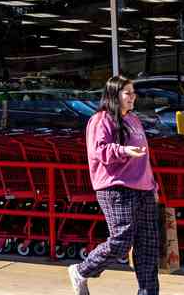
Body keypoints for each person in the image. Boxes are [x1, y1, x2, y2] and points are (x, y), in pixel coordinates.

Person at [68, 75, 160, 295]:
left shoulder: (134, 120)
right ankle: (82, 270)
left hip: (144, 190)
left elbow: (145, 158)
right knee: (121, 241)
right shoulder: (101, 120)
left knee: (148, 248)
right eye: (127, 93)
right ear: (114, 95)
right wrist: (123, 151)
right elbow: (98, 151)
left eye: (133, 93)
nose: (132, 97)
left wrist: (153, 186)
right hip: (116, 188)